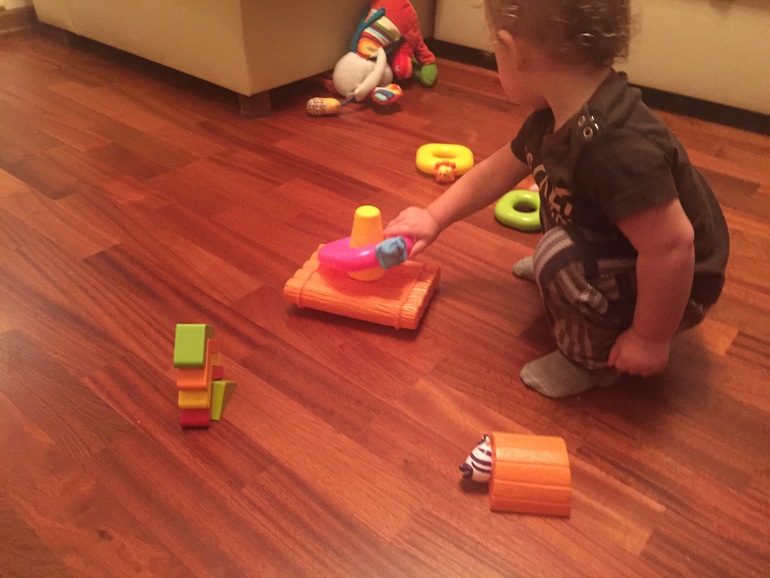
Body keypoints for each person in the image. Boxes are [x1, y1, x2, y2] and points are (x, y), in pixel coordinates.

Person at [383, 0, 729, 398]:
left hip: (678, 286)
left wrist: (649, 337)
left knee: (557, 255)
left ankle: (588, 359)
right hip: (640, 253)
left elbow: (672, 247)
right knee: (555, 211)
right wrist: (433, 217)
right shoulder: (555, 116)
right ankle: (578, 276)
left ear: (513, 49)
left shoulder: (613, 146)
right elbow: (497, 170)